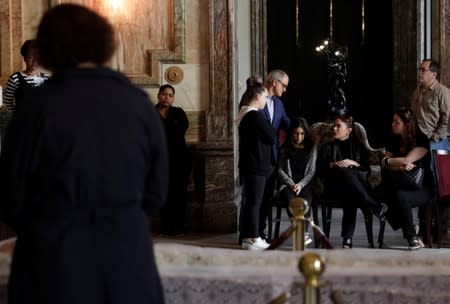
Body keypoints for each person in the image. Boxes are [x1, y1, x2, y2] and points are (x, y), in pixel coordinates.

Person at [0, 4, 168, 303]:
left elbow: (11, 197)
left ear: (50, 48)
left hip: (50, 266)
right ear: (105, 44)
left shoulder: (35, 110)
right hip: (126, 260)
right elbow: (156, 192)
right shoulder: (139, 105)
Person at [317, 114, 387, 248]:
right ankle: (373, 205)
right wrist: (334, 164)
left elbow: (368, 170)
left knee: (351, 192)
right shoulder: (328, 146)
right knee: (347, 177)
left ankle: (347, 239)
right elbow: (319, 170)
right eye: (334, 125)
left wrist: (353, 162)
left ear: (348, 130)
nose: (334, 129)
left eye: (338, 126)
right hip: (333, 188)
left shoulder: (358, 147)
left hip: (352, 190)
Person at [377, 107, 434, 250]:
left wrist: (390, 162)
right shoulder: (394, 139)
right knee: (379, 192)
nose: (393, 124)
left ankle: (411, 238)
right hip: (400, 183)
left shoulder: (421, 140)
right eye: (393, 121)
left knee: (398, 195)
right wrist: (398, 166)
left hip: (422, 187)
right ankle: (410, 228)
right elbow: (386, 163)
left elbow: (406, 160)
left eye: (397, 122)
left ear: (407, 125)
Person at [236, 82, 276, 250]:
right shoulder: (255, 115)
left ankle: (247, 237)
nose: (266, 101)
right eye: (265, 97)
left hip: (249, 164)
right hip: (256, 165)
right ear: (258, 96)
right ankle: (252, 237)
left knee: (250, 202)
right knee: (255, 202)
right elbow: (271, 135)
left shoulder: (244, 113)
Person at [259, 69, 291, 242]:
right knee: (254, 199)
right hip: (257, 158)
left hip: (272, 158)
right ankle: (249, 234)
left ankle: (261, 234)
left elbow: (287, 122)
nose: (284, 90)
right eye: (284, 85)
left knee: (265, 199)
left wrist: (306, 132)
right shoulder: (256, 96)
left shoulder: (279, 104)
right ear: (274, 82)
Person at [155, 84, 190, 236]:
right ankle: (165, 226)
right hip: (159, 161)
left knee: (179, 194)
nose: (166, 97)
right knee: (163, 193)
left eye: (170, 95)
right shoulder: (151, 112)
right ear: (158, 95)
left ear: (173, 98)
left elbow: (180, 130)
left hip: (178, 161)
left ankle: (178, 227)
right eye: (164, 94)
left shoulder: (178, 113)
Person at [277, 117, 317, 245]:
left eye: (302, 134)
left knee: (305, 201)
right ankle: (302, 234)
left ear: (306, 133)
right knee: (291, 201)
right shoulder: (285, 147)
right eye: (296, 133)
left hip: (305, 183)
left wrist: (301, 184)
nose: (299, 136)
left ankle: (303, 233)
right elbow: (280, 170)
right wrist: (291, 184)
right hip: (288, 184)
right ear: (292, 133)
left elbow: (311, 170)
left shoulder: (311, 147)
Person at [3, 39, 49, 113]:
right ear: (24, 58)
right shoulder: (15, 78)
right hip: (22, 122)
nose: (35, 61)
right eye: (31, 57)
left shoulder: (47, 78)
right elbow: (8, 102)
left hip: (42, 122)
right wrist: (17, 116)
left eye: (37, 57)